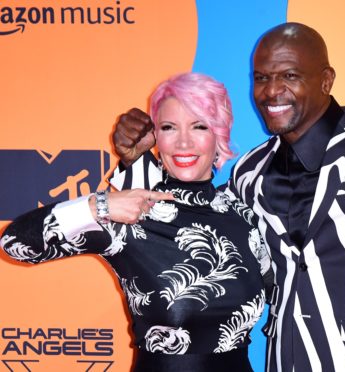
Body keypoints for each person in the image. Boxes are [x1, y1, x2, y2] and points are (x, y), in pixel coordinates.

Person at [89, 24, 345, 371]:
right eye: (262, 77)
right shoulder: (249, 173)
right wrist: (139, 158)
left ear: (326, 80)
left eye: (289, 76)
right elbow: (180, 229)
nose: (271, 91)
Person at [0, 72, 272, 372]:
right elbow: (15, 244)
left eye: (199, 126)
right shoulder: (130, 216)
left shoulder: (242, 213)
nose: (183, 141)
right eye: (169, 127)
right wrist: (97, 205)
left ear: (219, 133)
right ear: (156, 136)